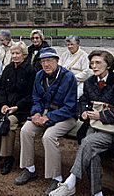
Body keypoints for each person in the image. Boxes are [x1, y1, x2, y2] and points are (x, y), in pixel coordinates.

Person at [50, 50, 114, 196]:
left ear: (108, 65)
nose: (94, 66)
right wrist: (83, 112)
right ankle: (97, 193)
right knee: (92, 153)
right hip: (93, 125)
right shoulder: (90, 82)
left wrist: (101, 115)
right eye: (92, 63)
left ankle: (70, 182)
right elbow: (84, 100)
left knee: (88, 143)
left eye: (98, 63)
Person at [14, 47, 77, 195]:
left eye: (49, 60)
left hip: (66, 116)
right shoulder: (39, 75)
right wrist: (36, 113)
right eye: (43, 61)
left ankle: (56, 177)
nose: (46, 64)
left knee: (49, 136)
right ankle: (29, 169)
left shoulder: (69, 77)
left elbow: (70, 107)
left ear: (56, 61)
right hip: (44, 113)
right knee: (25, 130)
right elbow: (36, 98)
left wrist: (48, 118)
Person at [0, 41, 36, 175]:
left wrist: (16, 107)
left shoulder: (30, 71)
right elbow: (2, 90)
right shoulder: (8, 69)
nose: (14, 56)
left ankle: (8, 157)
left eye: (17, 53)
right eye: (13, 53)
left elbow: (30, 95)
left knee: (8, 123)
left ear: (24, 55)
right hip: (5, 105)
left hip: (21, 109)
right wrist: (3, 104)